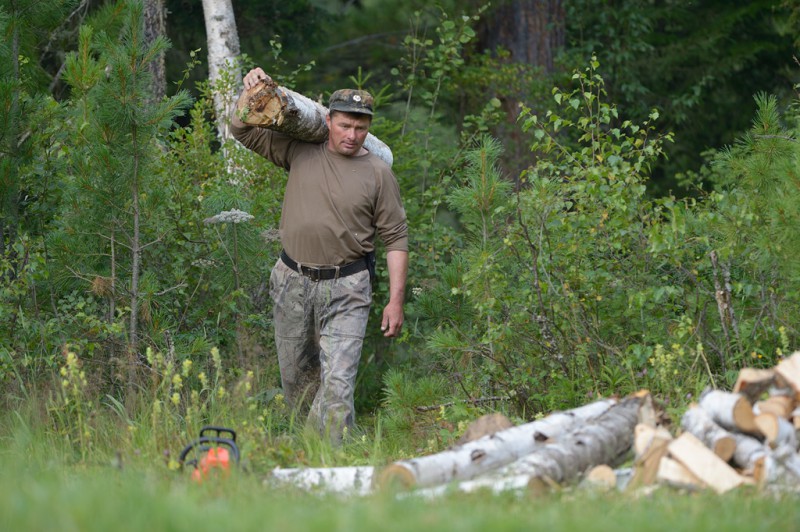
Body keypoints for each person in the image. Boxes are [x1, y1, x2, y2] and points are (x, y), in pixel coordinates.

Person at [231, 67, 409, 444]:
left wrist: (395, 300)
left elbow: (395, 237)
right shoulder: (300, 150)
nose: (352, 135)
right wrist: (252, 91)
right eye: (345, 125)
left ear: (369, 128)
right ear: (328, 120)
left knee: (338, 386)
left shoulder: (378, 173)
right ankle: (304, 460)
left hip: (348, 286)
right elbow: (243, 130)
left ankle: (328, 462)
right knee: (297, 382)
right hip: (292, 280)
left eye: (361, 128)